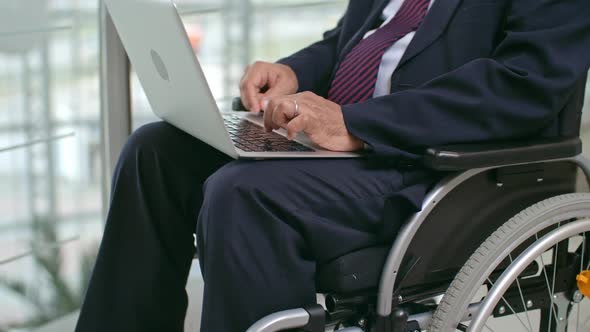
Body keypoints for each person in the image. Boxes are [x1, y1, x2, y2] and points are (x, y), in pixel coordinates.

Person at [75, 0, 590, 331]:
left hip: (428, 162)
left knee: (243, 193)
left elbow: (523, 87)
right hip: (337, 145)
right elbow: (352, 40)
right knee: (155, 150)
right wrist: (293, 72)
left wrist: (358, 125)